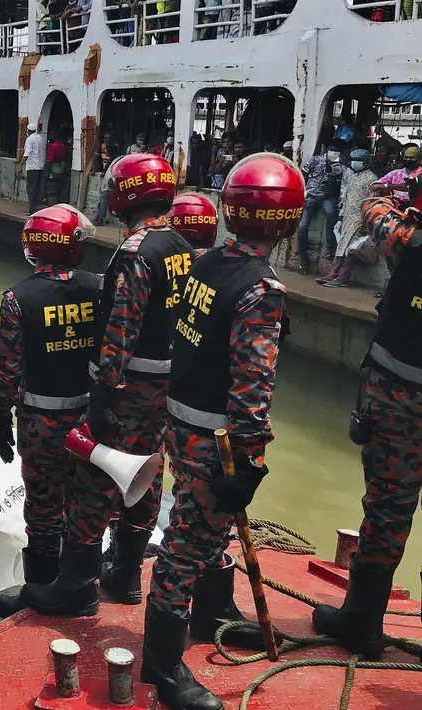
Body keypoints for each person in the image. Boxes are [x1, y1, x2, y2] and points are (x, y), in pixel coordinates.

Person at [145, 155, 302, 710]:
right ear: (289, 221)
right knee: (186, 547)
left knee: (200, 531)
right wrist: (250, 463)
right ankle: (162, 667)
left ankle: (212, 614)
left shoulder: (207, 263)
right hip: (218, 442)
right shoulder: (262, 291)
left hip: (181, 425)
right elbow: (252, 389)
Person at [17, 153, 192, 619]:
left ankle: (76, 586)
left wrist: (103, 394)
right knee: (148, 471)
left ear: (123, 195)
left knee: (94, 481)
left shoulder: (137, 251)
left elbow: (122, 328)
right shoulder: (180, 246)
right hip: (166, 387)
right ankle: (127, 573)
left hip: (129, 387)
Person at [309, 188, 422, 661]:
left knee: (388, 509)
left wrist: (398, 203)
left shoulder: (409, 240)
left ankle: (362, 621)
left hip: (401, 398)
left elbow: (373, 210)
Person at [0, 205, 102, 600]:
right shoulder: (100, 287)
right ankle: (82, 582)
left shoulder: (18, 299)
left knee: (42, 504)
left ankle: (42, 588)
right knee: (86, 498)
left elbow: (6, 371)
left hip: (41, 422)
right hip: (93, 420)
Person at [319, 148, 379, 288]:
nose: (354, 163)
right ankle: (334, 274)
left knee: (351, 249)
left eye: (358, 161)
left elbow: (372, 203)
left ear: (366, 163)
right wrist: (340, 217)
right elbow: (344, 196)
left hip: (360, 218)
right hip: (347, 217)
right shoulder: (351, 175)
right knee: (341, 246)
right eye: (353, 160)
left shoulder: (372, 179)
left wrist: (365, 223)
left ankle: (342, 278)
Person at [295, 145, 344, 273]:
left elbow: (336, 187)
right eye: (332, 150)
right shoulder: (315, 160)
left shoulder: (340, 167)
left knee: (331, 213)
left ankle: (329, 249)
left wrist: (323, 195)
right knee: (302, 227)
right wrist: (303, 191)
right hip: (310, 196)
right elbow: (302, 174)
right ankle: (303, 260)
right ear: (327, 150)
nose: (334, 153)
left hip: (326, 197)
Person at [24, 123, 47, 212]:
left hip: (32, 167)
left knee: (31, 188)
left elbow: (27, 154)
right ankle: (35, 207)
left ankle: (31, 208)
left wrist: (20, 165)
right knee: (37, 187)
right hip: (40, 166)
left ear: (28, 131)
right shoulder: (39, 138)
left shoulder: (29, 139)